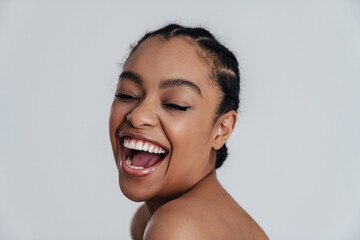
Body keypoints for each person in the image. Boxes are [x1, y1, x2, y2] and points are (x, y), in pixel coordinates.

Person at [109, 23, 269, 240]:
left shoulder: (175, 227)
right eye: (127, 94)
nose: (138, 116)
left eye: (176, 104)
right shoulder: (150, 220)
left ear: (221, 129)